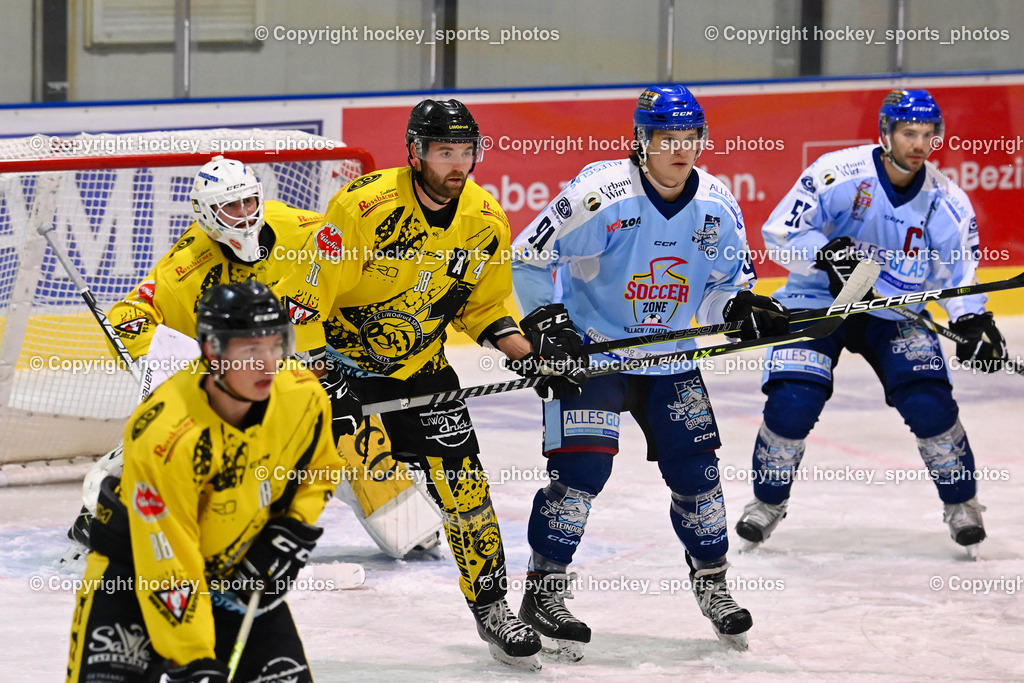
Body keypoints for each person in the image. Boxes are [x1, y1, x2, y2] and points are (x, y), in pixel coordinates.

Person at [274, 98, 587, 669]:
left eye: (467, 151)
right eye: (445, 151)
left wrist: (529, 356)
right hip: (337, 369)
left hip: (421, 370)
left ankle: (493, 609)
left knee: (467, 494)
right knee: (274, 480)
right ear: (415, 152)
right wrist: (324, 378)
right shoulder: (361, 207)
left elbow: (484, 308)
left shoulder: (485, 219)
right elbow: (306, 299)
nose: (458, 164)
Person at [510, 85, 790, 657]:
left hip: (669, 358)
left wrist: (739, 309)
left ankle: (713, 583)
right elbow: (529, 256)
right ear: (640, 141)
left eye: (690, 138)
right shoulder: (599, 194)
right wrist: (547, 323)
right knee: (580, 472)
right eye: (666, 139)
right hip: (594, 357)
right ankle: (544, 592)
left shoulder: (717, 204)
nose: (679, 150)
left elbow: (720, 290)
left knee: (698, 476)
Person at [62, 155, 439, 566]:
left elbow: (361, 269)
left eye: (248, 201)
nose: (244, 215)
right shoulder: (186, 267)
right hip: (234, 391)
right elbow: (129, 316)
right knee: (166, 440)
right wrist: (160, 364)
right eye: (230, 206)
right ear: (206, 213)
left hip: (306, 380)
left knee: (390, 497)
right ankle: (101, 522)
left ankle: (404, 520)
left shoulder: (301, 229)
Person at [734, 89, 1007, 557]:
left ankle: (962, 503)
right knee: (792, 402)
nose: (919, 145)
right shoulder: (837, 174)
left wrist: (972, 319)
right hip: (818, 300)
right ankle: (767, 502)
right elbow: (780, 232)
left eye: (928, 135)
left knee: (929, 404)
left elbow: (959, 272)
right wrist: (824, 255)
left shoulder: (948, 201)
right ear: (885, 132)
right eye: (909, 133)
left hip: (894, 310)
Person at [66, 281, 340, 682]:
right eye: (251, 351)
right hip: (134, 573)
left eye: (276, 345)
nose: (268, 364)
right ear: (213, 352)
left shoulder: (302, 395)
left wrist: (291, 529)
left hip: (239, 572)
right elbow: (168, 559)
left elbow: (320, 469)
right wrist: (193, 660)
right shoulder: (166, 434)